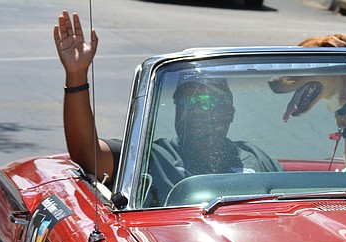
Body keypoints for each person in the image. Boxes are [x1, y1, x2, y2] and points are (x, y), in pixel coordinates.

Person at [53, 10, 281, 199]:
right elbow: (86, 153)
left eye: (213, 101)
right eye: (190, 101)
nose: (201, 110)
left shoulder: (256, 158)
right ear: (178, 111)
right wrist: (76, 74)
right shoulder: (151, 158)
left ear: (230, 112)